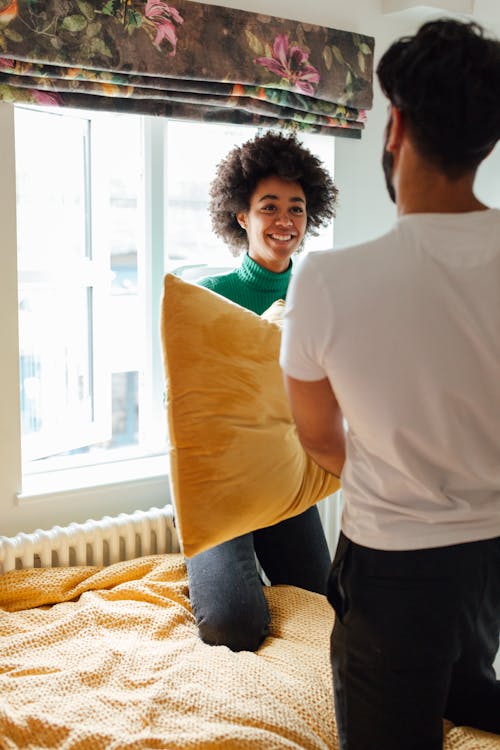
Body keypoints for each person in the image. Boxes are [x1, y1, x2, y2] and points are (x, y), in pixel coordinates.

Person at [280, 18, 500, 750]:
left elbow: (316, 435)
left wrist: (396, 471)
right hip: (491, 554)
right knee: (468, 680)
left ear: (395, 127)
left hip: (394, 563)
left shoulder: (329, 279)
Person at [186, 130, 339, 652]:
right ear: (241, 216)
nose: (284, 221)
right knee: (232, 628)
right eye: (268, 207)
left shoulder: (320, 296)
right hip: (220, 484)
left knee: (324, 610)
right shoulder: (209, 298)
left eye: (296, 209)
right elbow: (182, 401)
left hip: (285, 479)